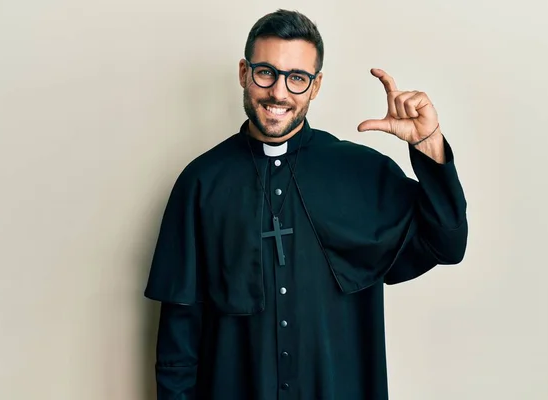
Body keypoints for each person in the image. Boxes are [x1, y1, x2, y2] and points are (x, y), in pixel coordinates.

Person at [144, 8, 468, 400]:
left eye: (297, 78)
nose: (279, 92)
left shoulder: (361, 172)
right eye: (266, 72)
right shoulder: (200, 182)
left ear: (315, 86)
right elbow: (179, 338)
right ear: (244, 73)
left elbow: (447, 244)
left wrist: (427, 143)